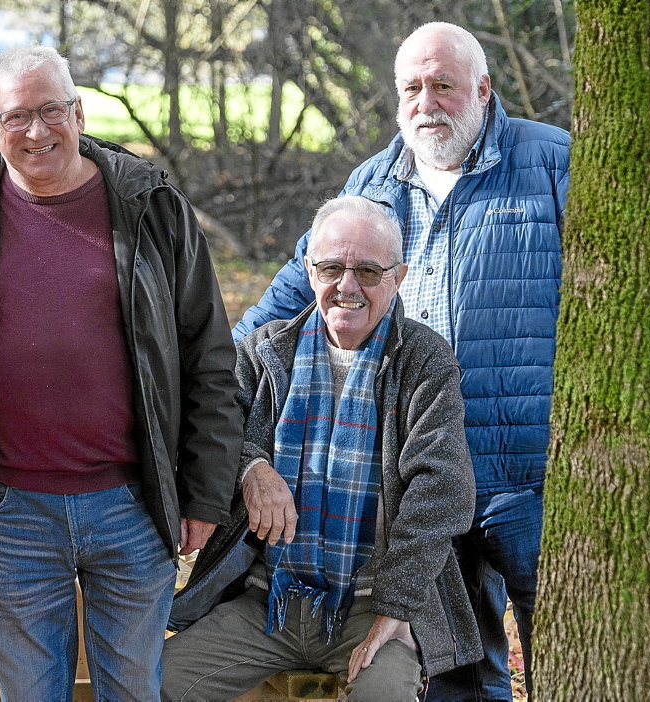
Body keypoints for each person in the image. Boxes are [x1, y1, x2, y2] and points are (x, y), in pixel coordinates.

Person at [0, 45, 241, 701]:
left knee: (132, 691)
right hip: (11, 513)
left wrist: (204, 490)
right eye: (16, 116)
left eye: (50, 110)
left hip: (134, 505)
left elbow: (209, 355)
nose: (36, 131)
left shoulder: (150, 205)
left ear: (77, 113)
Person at [233, 22, 570, 700]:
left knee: (566, 655)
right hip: (419, 480)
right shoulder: (375, 181)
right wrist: (212, 373)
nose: (427, 103)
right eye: (411, 88)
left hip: (530, 475)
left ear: (481, 89)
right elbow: (296, 294)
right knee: (454, 673)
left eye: (444, 86)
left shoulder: (552, 162)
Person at [162, 196, 481, 701]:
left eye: (369, 273)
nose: (347, 287)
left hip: (371, 605)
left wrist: (396, 611)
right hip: (267, 603)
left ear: (398, 277)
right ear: (309, 270)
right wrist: (252, 469)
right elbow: (207, 433)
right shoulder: (265, 350)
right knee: (158, 683)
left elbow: (443, 492)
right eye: (332, 268)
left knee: (386, 694)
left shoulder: (424, 359)